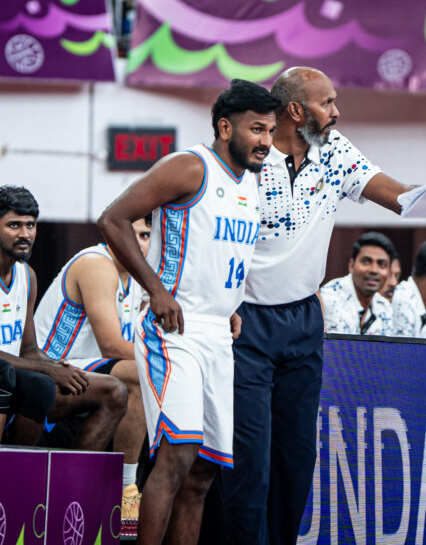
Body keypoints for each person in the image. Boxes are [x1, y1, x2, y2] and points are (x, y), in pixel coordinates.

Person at [221, 66, 426, 545]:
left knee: (297, 460)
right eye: (327, 103)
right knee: (250, 461)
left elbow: (400, 198)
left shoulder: (334, 152)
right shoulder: (251, 153)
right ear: (295, 111)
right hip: (245, 321)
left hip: (302, 321)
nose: (336, 111)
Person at [97, 80, 281, 545]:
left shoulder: (251, 184)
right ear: (225, 127)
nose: (266, 142)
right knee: (178, 454)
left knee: (202, 473)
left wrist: (231, 306)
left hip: (219, 332)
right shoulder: (189, 166)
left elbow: (221, 255)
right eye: (257, 129)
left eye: (271, 132)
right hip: (172, 329)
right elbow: (113, 218)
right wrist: (156, 290)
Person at [0, 185, 128, 449]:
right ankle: (5, 469)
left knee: (114, 390)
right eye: (14, 225)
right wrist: (47, 370)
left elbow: (30, 350)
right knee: (33, 383)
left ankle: (72, 485)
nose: (25, 234)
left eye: (30, 225)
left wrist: (60, 367)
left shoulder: (27, 275)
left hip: (13, 373)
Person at [33, 215, 153, 520]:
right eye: (136, 233)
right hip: (51, 371)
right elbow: (112, 346)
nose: (141, 243)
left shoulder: (140, 277)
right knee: (142, 371)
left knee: (159, 375)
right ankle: (127, 490)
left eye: (147, 236)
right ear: (114, 235)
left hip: (90, 373)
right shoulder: (96, 264)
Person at [320, 231, 397, 336]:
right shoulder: (328, 298)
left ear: (389, 271)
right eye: (366, 262)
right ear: (351, 265)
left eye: (382, 264)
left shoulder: (385, 308)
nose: (374, 270)